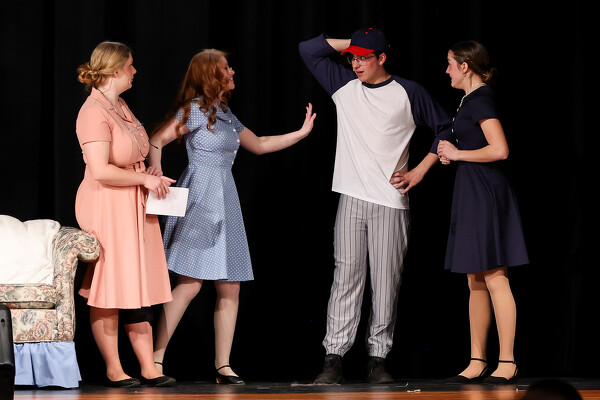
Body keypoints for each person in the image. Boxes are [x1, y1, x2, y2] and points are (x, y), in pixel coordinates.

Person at [148, 49, 316, 384]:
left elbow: (260, 144)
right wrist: (156, 172)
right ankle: (154, 360)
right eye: (226, 68)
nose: (232, 72)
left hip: (226, 199)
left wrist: (301, 133)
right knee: (190, 283)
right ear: (210, 75)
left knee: (231, 285)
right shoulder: (194, 110)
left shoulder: (224, 113)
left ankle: (223, 365)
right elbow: (157, 140)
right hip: (200, 197)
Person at [299, 28, 454, 384]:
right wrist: (353, 44)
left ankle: (377, 359)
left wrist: (419, 170)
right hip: (351, 197)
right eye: (352, 58)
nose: (356, 64)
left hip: (390, 201)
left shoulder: (408, 92)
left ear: (382, 58)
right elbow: (308, 50)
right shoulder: (344, 85)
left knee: (386, 281)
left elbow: (446, 129)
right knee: (346, 278)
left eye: (364, 58)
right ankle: (334, 358)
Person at [75, 41, 177, 387]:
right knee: (111, 284)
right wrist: (142, 179)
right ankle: (114, 369)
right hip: (108, 204)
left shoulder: (119, 105)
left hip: (134, 202)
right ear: (116, 68)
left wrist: (147, 173)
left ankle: (148, 366)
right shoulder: (93, 112)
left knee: (138, 282)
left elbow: (132, 154)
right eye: (130, 65)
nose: (135, 71)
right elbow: (100, 170)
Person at [436, 40, 529, 384]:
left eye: (450, 64)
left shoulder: (481, 99)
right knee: (474, 279)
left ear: (465, 66)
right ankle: (477, 360)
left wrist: (458, 154)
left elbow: (500, 149)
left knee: (494, 276)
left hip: (486, 192)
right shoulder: (469, 100)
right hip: (471, 190)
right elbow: (477, 144)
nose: (446, 70)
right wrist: (453, 152)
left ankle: (507, 361)